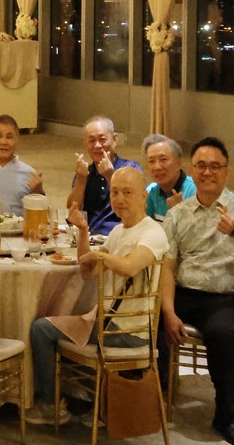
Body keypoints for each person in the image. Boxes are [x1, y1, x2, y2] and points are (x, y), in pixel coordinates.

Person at [26, 166, 168, 427]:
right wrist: (82, 231)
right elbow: (88, 271)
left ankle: (51, 405)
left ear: (143, 197)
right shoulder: (118, 231)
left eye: (127, 192)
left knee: (41, 330)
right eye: (115, 192)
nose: (120, 199)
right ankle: (75, 398)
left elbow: (130, 267)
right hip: (106, 322)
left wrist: (100, 255)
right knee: (43, 326)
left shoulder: (153, 233)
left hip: (129, 332)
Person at [159, 137, 234, 444]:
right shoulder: (177, 214)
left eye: (215, 166)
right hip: (184, 293)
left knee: (222, 334)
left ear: (227, 171)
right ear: (192, 170)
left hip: (222, 297)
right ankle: (151, 399)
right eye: (202, 166)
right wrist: (168, 311)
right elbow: (167, 268)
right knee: (146, 320)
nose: (208, 172)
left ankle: (226, 414)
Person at [66, 116, 139, 235]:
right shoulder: (85, 172)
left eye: (102, 139)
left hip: (121, 236)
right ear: (85, 144)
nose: (97, 145)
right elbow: (72, 213)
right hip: (90, 237)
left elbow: (136, 207)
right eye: (91, 141)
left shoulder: (130, 169)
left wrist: (110, 176)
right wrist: (81, 179)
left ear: (114, 140)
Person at [143, 133, 195, 221]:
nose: (157, 167)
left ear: (178, 163)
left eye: (163, 159)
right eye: (151, 161)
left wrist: (182, 215)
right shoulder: (151, 191)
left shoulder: (194, 190)